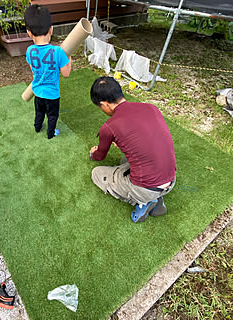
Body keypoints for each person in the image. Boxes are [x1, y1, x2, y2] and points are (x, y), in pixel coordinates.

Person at [89, 77, 176, 223]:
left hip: (146, 188)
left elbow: (99, 156)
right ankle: (155, 195)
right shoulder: (151, 108)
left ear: (104, 104)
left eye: (100, 107)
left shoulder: (109, 127)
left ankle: (145, 202)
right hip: (171, 179)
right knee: (124, 160)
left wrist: (93, 153)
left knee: (96, 173)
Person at [24, 4, 72, 139]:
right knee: (52, 115)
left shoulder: (29, 51)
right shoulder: (58, 52)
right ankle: (51, 134)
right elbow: (66, 73)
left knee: (39, 112)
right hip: (52, 95)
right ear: (51, 29)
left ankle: (37, 127)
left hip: (37, 92)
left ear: (29, 32)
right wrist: (69, 57)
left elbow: (33, 69)